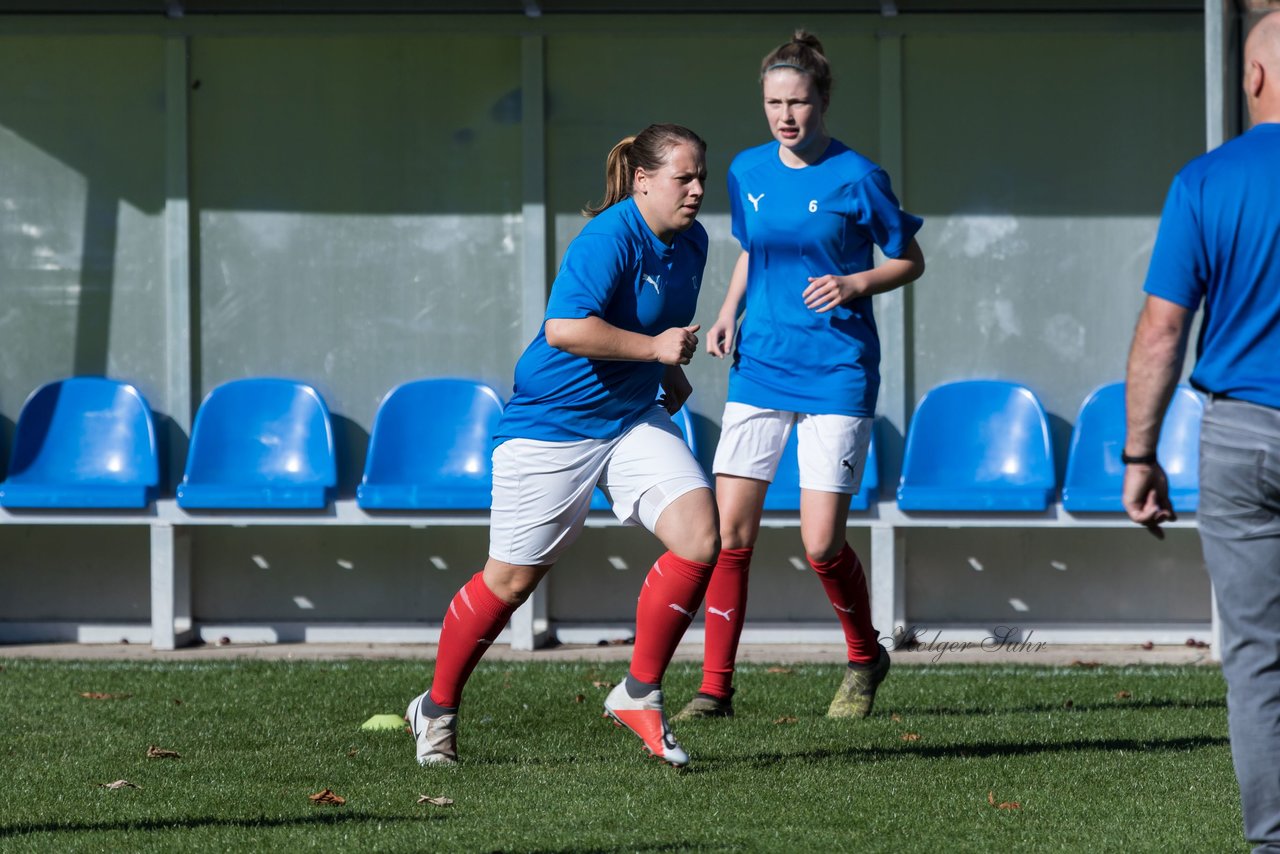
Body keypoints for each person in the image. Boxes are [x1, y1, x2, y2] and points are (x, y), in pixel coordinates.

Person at [405, 123, 718, 769]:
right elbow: (566, 328)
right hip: (552, 424)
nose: (696, 190)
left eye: (701, 177)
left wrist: (666, 369)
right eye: (683, 177)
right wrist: (655, 350)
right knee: (511, 581)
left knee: (700, 539)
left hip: (631, 417)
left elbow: (649, 325)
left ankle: (638, 692)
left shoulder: (696, 242)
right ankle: (435, 709)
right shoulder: (607, 236)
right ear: (643, 180)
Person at [676, 31, 925, 722]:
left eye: (799, 102)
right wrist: (727, 312)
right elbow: (755, 252)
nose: (786, 116)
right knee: (730, 535)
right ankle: (715, 690)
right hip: (760, 366)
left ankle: (863, 656)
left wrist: (856, 282)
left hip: (837, 372)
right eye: (774, 103)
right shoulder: (747, 170)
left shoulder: (859, 177)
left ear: (823, 99)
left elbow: (910, 260)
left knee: (820, 543)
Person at [1122, 12, 1280, 852]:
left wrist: (1139, 454)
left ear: (1252, 78)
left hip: (1241, 437)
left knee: (1258, 661)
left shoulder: (1207, 181)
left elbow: (1161, 330)